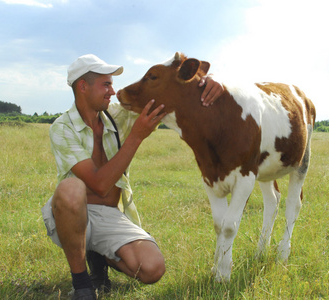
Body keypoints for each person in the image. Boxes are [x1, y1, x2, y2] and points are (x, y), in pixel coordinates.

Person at [41, 54, 224, 300]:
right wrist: (136, 137)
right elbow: (99, 184)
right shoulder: (61, 128)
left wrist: (209, 80)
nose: (112, 91)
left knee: (152, 268)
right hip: (74, 214)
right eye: (106, 84)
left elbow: (168, 90)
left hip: (110, 216)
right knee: (71, 188)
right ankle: (82, 284)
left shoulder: (118, 116)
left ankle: (99, 253)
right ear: (83, 87)